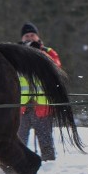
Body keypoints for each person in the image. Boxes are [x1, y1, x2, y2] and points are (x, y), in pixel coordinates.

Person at [17, 22, 61, 161]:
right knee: (19, 140)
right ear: (22, 38)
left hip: (42, 105)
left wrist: (39, 53)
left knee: (45, 139)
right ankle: (20, 165)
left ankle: (49, 166)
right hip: (21, 106)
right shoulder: (16, 52)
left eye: (32, 35)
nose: (30, 38)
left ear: (38, 37)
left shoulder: (48, 51)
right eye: (27, 35)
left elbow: (56, 67)